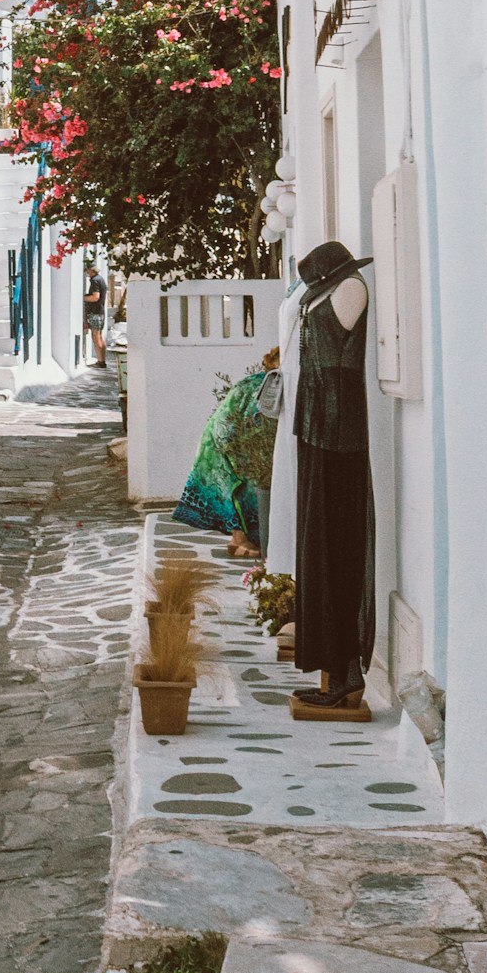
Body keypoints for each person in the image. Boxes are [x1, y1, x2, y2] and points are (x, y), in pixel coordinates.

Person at [288, 239, 375, 721]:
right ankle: (337, 670)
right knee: (318, 545)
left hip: (339, 432)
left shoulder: (350, 290)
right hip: (316, 428)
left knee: (338, 544)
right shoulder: (323, 295)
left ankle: (347, 673)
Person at [171, 355, 278, 552]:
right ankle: (241, 540)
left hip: (222, 436)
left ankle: (238, 541)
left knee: (234, 490)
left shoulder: (257, 381)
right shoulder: (267, 385)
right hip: (230, 440)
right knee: (241, 489)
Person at [82, 260, 107, 366]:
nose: (87, 273)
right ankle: (101, 360)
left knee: (96, 336)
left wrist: (82, 298)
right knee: (99, 336)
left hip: (95, 312)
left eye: (87, 271)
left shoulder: (95, 281)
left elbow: (95, 297)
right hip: (100, 312)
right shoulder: (100, 279)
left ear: (90, 270)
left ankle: (101, 362)